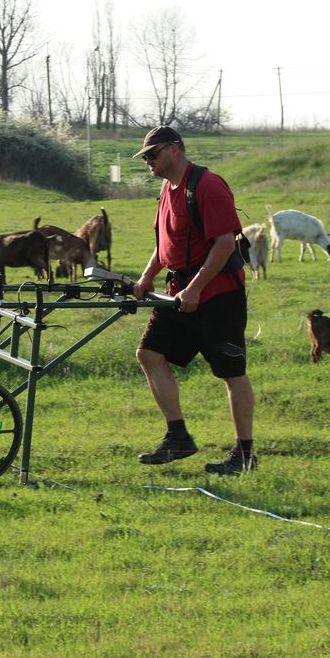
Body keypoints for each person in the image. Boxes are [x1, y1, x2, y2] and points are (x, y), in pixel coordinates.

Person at [130, 126, 257, 475]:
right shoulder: (167, 190)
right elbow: (164, 244)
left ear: (174, 150)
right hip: (178, 294)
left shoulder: (208, 186)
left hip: (219, 296)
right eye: (145, 158)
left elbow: (224, 244)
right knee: (149, 354)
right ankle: (178, 437)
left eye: (152, 155)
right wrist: (146, 276)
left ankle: (244, 455)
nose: (148, 162)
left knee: (232, 373)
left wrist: (197, 288)